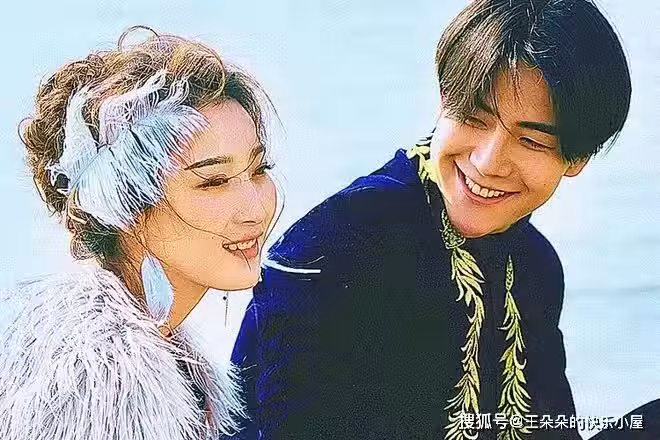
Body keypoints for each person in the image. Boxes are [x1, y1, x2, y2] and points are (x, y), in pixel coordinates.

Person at [230, 0, 632, 438]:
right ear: (443, 101)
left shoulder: (536, 266)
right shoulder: (339, 244)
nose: (487, 162)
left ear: (578, 158)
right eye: (474, 118)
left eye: (531, 141)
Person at [0, 27, 279, 440]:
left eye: (259, 170)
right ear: (125, 205)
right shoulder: (94, 381)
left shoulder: (164, 358)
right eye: (213, 181)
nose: (255, 209)